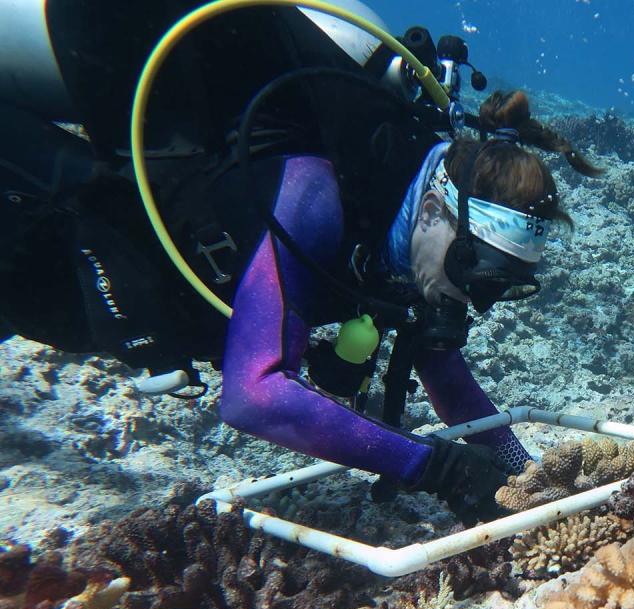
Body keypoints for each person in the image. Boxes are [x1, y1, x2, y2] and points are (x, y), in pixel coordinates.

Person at [0, 0, 601, 524]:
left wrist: (527, 472)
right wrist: (433, 467)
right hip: (60, 255)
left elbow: (443, 372)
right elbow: (252, 395)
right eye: (476, 272)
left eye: (501, 288)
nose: (476, 300)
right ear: (440, 208)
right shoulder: (313, 197)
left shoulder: (413, 230)